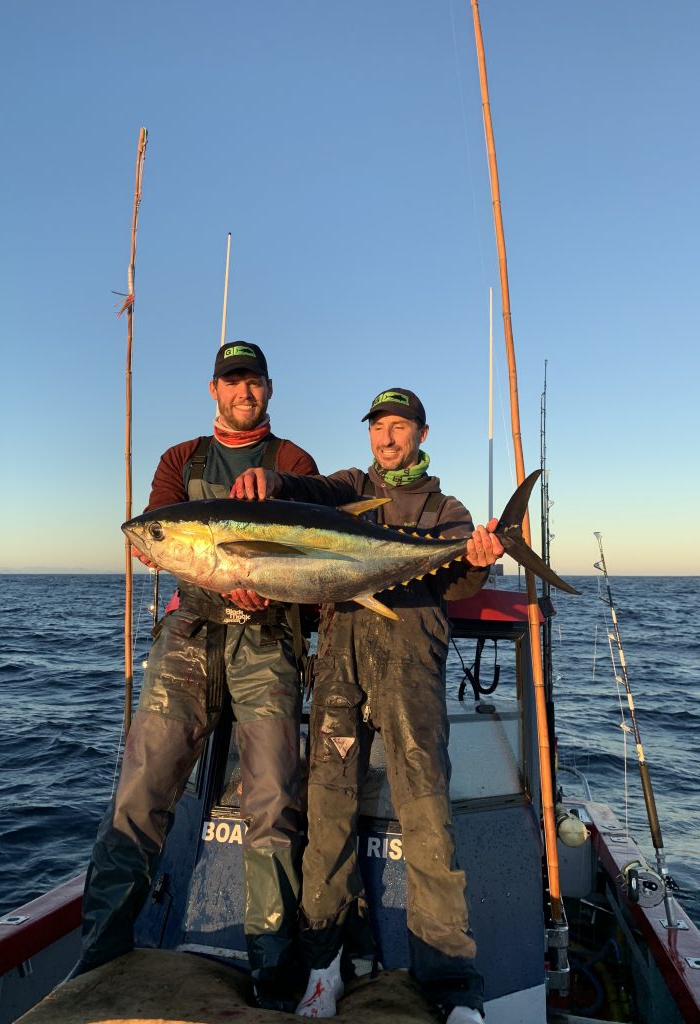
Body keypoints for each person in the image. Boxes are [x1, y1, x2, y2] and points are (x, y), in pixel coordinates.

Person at [230, 387, 504, 1024]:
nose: (387, 436)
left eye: (399, 426)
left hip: (411, 669)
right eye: (379, 426)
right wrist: (273, 479)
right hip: (340, 665)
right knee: (327, 811)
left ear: (422, 434)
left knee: (426, 814)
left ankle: (452, 984)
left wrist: (479, 560)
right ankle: (325, 964)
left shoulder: (446, 510)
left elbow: (457, 582)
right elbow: (310, 492)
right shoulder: (349, 487)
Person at [74, 341, 318, 1011]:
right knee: (140, 791)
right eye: (232, 381)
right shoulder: (181, 460)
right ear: (214, 389)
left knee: (273, 802)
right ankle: (98, 959)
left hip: (268, 638)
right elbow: (154, 536)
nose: (244, 392)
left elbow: (307, 554)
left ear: (269, 388)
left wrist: (268, 587)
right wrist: (191, 564)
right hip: (190, 635)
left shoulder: (294, 462)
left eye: (254, 381)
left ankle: (274, 974)